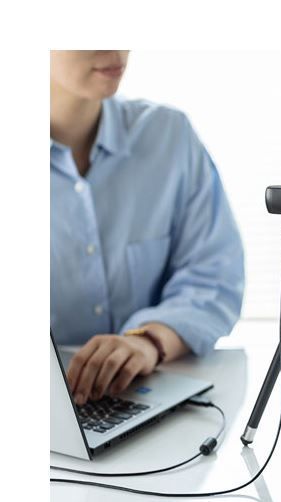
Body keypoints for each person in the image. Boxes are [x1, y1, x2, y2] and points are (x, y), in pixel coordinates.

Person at [51, 51, 244, 405]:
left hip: (149, 397)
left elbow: (214, 276)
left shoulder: (169, 136)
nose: (115, 48)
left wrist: (149, 340)